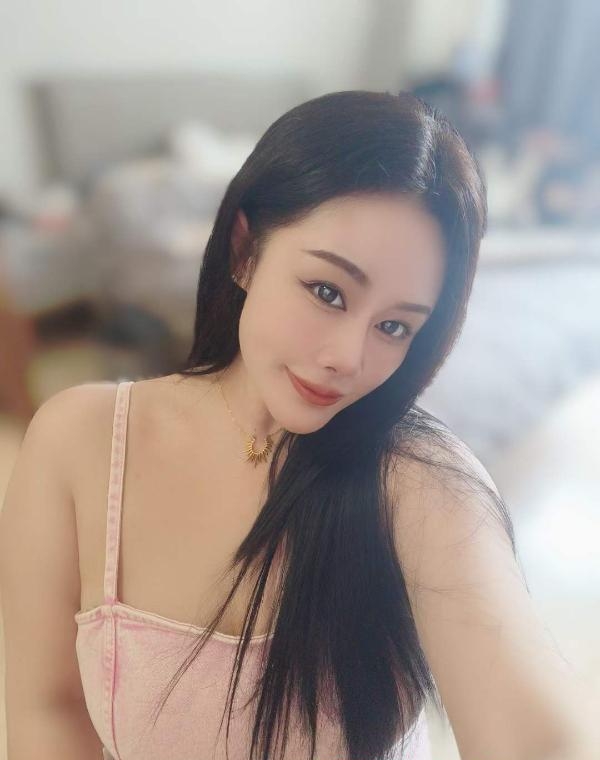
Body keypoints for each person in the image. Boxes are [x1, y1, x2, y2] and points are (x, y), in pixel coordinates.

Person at [1, 90, 597, 760]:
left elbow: (541, 738)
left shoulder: (421, 484)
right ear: (244, 250)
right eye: (328, 292)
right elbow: (47, 710)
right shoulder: (80, 442)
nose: (349, 358)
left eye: (394, 326)